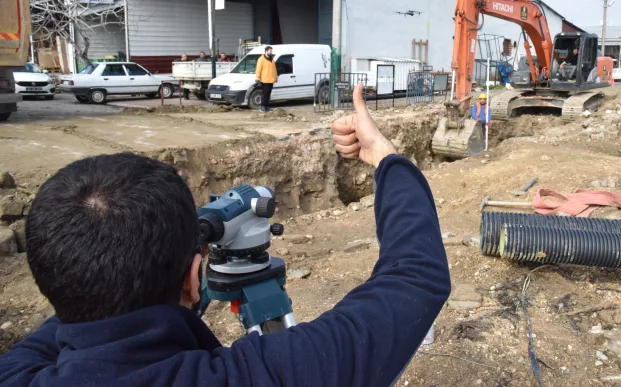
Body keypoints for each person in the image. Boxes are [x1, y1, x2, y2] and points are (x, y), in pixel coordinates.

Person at [0, 84, 451, 387]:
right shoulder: (253, 376)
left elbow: (82, 306)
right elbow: (413, 279)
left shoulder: (17, 370)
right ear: (196, 278)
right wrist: (386, 157)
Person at [255, 46, 278, 112]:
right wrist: (257, 77)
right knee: (264, 93)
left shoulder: (272, 60)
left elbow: (274, 69)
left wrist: (275, 77)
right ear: (266, 51)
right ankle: (263, 107)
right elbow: (258, 69)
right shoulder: (261, 59)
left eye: (271, 51)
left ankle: (267, 106)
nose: (271, 52)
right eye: (270, 51)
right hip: (264, 79)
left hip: (271, 79)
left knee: (268, 93)